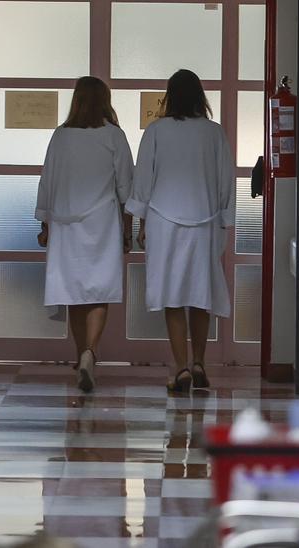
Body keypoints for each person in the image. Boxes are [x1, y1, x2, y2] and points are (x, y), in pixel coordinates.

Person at [126, 69, 234, 394]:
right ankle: (200, 361)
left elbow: (144, 177)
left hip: (163, 219)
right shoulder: (214, 133)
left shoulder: (156, 131)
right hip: (204, 220)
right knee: (201, 294)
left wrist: (141, 221)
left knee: (173, 297)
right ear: (201, 96)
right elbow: (225, 178)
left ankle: (181, 367)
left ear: (169, 96)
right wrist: (224, 219)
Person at [35, 76, 134, 393]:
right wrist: (129, 229)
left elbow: (47, 181)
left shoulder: (61, 136)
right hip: (102, 223)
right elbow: (126, 188)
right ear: (106, 100)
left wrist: (44, 223)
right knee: (98, 290)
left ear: (76, 100)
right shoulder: (114, 137)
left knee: (74, 291)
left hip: (65, 224)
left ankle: (82, 355)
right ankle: (90, 351)